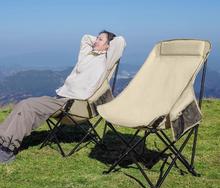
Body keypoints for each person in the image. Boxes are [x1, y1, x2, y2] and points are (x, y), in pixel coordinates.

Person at [0, 30, 126, 163]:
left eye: (100, 39)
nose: (95, 40)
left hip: (75, 105)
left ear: (109, 46)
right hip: (61, 99)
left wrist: (108, 40)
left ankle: (7, 150)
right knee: (23, 104)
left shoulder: (106, 61)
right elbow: (85, 38)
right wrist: (100, 40)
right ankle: (3, 140)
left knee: (27, 106)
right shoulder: (87, 55)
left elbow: (120, 41)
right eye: (96, 38)